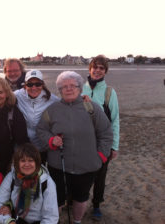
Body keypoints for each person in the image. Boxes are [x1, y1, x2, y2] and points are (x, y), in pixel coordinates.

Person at [37, 71, 113, 224]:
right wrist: (51, 140)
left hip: (87, 166)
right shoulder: (52, 109)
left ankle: (77, 221)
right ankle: (54, 220)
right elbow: (41, 130)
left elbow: (106, 133)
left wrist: (101, 157)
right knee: (57, 198)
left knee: (81, 196)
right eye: (64, 87)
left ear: (79, 88)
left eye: (73, 85)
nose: (69, 89)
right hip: (58, 166)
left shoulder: (92, 108)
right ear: (60, 90)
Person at [82, 55, 120, 220]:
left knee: (100, 176)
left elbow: (115, 120)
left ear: (105, 71)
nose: (97, 70)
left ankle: (96, 205)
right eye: (95, 67)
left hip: (102, 142)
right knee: (78, 174)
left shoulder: (109, 92)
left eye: (101, 68)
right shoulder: (78, 88)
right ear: (89, 69)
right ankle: (73, 200)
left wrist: (114, 146)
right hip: (81, 141)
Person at [0, 143, 59, 224]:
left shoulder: (46, 182)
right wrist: (8, 221)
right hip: (16, 220)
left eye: (30, 160)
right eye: (23, 160)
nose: (27, 164)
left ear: (37, 163)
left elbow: (51, 217)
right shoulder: (12, 177)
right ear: (17, 163)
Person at [14, 70, 59, 163]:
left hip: (42, 146)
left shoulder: (52, 99)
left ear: (42, 84)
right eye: (30, 84)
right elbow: (0, 96)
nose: (34, 87)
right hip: (23, 146)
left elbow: (67, 105)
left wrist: (81, 99)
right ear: (25, 85)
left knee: (40, 172)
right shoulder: (17, 95)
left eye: (37, 84)